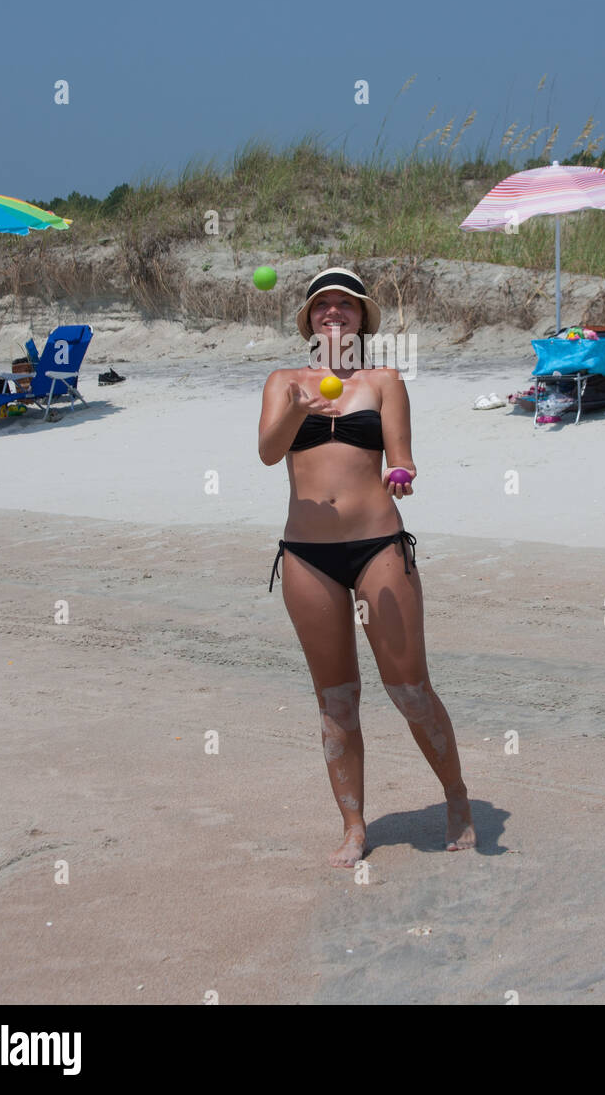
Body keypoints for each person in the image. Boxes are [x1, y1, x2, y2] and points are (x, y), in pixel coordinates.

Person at [258, 267, 475, 868]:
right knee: (336, 700)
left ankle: (457, 799)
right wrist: (296, 410)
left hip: (377, 545)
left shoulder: (384, 381)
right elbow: (269, 453)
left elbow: (401, 455)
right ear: (309, 319)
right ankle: (354, 827)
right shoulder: (283, 382)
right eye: (322, 305)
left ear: (361, 318)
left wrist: (401, 473)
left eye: (345, 305)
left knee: (410, 689)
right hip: (307, 555)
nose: (333, 312)